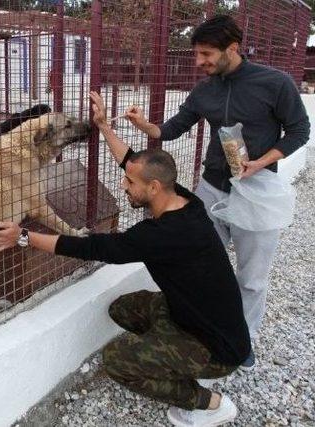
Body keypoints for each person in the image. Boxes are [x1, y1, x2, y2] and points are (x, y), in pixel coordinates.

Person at [0, 91, 251, 427]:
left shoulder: (158, 236)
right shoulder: (184, 201)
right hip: (200, 318)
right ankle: (174, 356)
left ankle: (209, 403)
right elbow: (133, 162)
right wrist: (103, 126)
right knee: (122, 309)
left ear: (153, 188)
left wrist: (22, 236)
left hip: (219, 347)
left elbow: (90, 248)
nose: (123, 185)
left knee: (117, 360)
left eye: (129, 183)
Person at [123, 15, 310, 369]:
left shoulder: (275, 83)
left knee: (252, 276)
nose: (199, 62)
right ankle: (202, 329)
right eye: (197, 54)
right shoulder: (204, 90)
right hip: (212, 187)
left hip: (257, 189)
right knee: (201, 264)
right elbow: (172, 130)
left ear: (233, 49)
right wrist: (144, 125)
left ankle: (244, 341)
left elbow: (300, 130)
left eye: (207, 54)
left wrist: (261, 161)